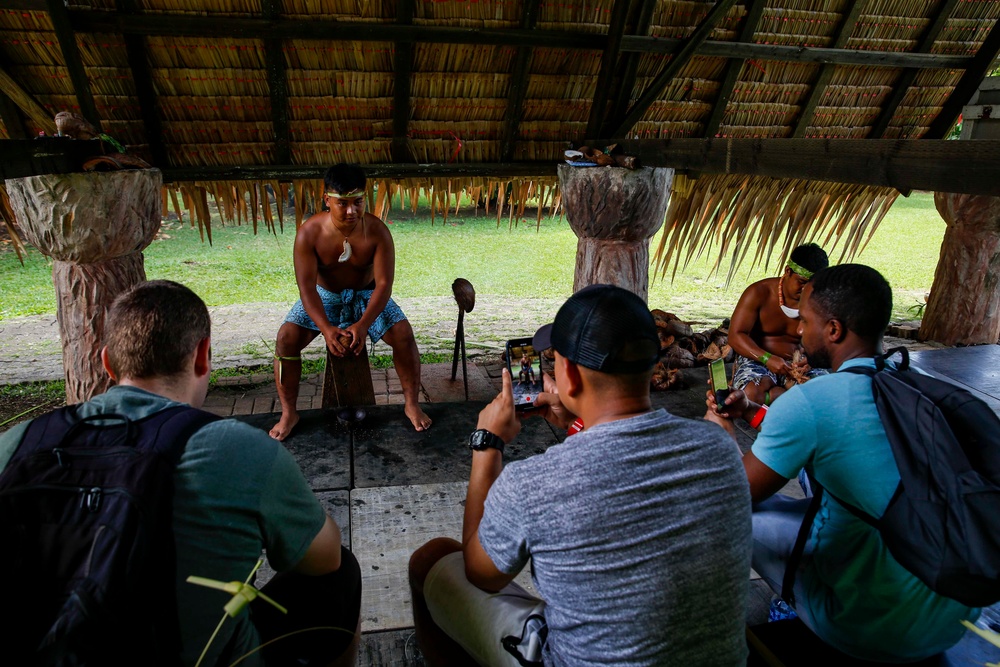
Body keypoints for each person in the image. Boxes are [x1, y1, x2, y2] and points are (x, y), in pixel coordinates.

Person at [0, 281, 362, 666]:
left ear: (107, 363)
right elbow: (323, 559)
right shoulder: (237, 449)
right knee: (343, 573)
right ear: (203, 357)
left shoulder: (14, 444)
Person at [409, 285, 752, 666]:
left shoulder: (534, 482)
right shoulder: (720, 448)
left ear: (568, 374)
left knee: (431, 558)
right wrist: (585, 420)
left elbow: (480, 572)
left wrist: (487, 444)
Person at [706, 265, 979, 662]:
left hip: (876, 630)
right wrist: (750, 411)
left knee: (720, 513)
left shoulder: (811, 401)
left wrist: (721, 431)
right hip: (953, 617)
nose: (799, 331)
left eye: (808, 322)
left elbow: (731, 497)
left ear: (833, 330)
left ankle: (748, 628)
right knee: (816, 484)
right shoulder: (915, 384)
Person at [270, 163, 431, 440]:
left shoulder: (378, 232)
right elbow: (307, 289)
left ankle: (411, 404)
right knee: (286, 338)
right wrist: (326, 328)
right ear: (326, 200)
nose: (351, 211)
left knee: (403, 334)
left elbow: (383, 285)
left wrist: (364, 323)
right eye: (342, 203)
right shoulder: (309, 233)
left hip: (368, 294)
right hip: (324, 295)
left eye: (358, 202)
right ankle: (289, 412)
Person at [728, 243, 829, 405]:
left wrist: (812, 360)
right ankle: (792, 398)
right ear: (788, 271)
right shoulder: (759, 292)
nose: (806, 290)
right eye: (801, 282)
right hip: (759, 359)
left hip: (801, 365)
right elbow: (735, 335)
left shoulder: (820, 301)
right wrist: (767, 358)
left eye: (812, 286)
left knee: (829, 393)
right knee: (749, 395)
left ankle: (778, 397)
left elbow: (828, 340)